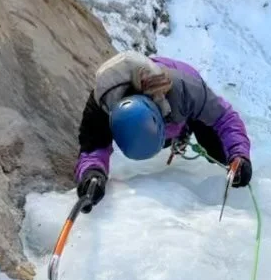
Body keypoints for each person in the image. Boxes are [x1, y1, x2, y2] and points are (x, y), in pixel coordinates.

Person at [75, 51, 252, 211]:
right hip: (161, 109)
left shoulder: (186, 89)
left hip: (180, 101)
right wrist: (93, 174)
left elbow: (225, 118)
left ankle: (185, 129)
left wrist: (239, 154)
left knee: (218, 151)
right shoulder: (100, 108)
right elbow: (93, 148)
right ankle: (175, 133)